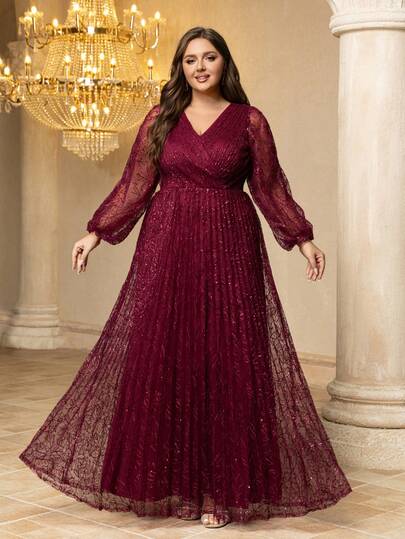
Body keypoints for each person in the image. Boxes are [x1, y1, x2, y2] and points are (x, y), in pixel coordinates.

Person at [19, 27, 352, 529]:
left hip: (230, 246)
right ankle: (160, 483)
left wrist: (303, 239)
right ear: (180, 67)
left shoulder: (249, 120)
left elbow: (268, 188)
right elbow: (135, 185)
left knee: (228, 357)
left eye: (209, 57)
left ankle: (223, 491)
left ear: (224, 63)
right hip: (167, 243)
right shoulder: (161, 118)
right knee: (164, 353)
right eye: (190, 59)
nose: (199, 67)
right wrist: (95, 233)